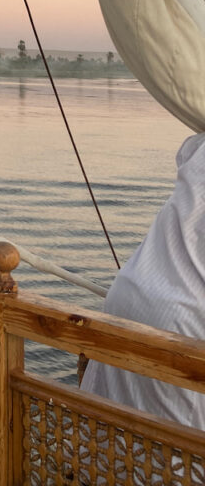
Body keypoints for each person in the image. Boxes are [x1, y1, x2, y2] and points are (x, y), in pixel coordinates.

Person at [81, 131, 205, 429]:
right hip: (185, 323)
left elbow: (187, 150)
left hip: (134, 291)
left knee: (112, 426)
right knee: (173, 447)